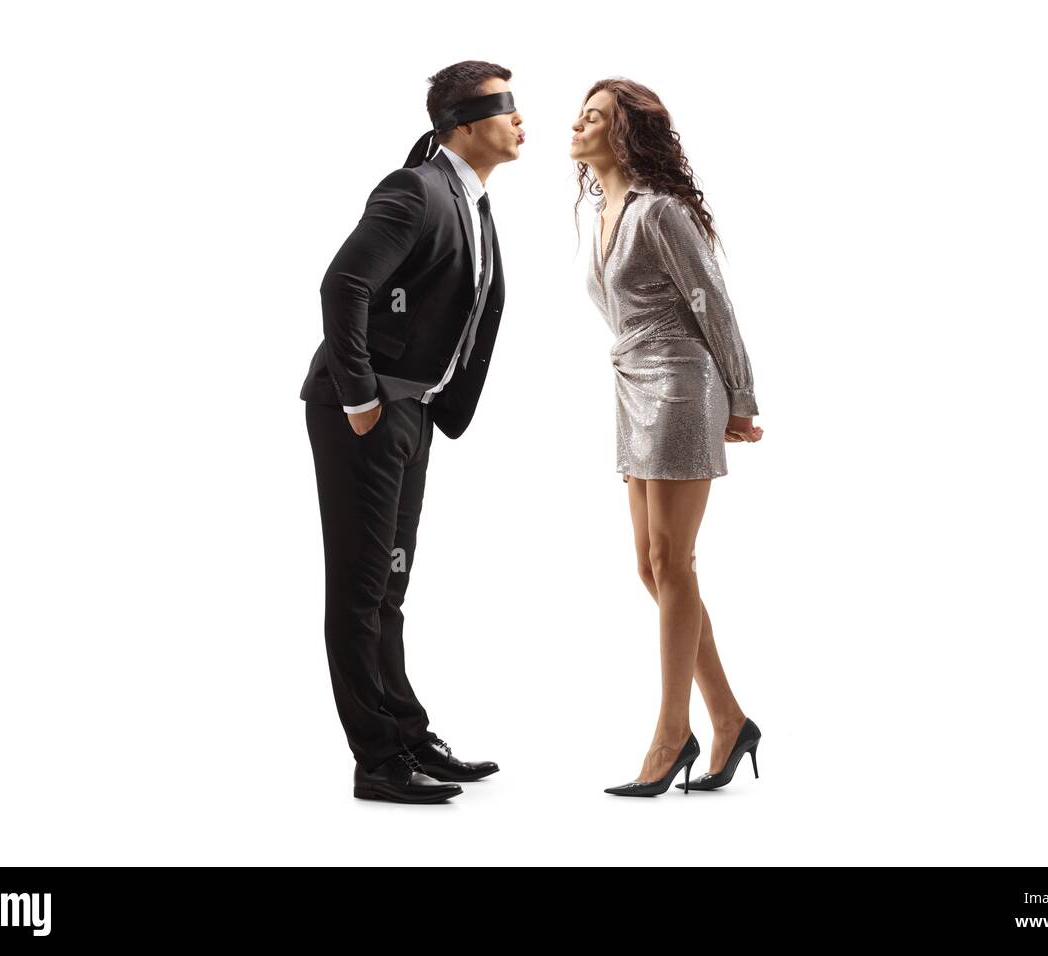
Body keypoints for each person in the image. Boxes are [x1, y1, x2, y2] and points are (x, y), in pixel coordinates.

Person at [300, 61, 524, 803]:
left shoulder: (473, 202)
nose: (520, 120)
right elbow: (345, 285)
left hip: (414, 409)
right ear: (463, 124)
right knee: (362, 588)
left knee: (390, 584)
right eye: (504, 107)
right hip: (363, 408)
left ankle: (406, 734)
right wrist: (361, 396)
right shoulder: (415, 190)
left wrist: (417, 401)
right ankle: (376, 761)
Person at [571, 77, 765, 796]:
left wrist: (740, 398)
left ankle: (670, 732)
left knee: (673, 560)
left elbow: (714, 303)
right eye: (581, 114)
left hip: (684, 385)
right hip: (632, 386)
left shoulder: (660, 213)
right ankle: (729, 718)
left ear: (625, 134)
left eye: (594, 116)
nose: (578, 124)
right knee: (652, 568)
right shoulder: (600, 214)